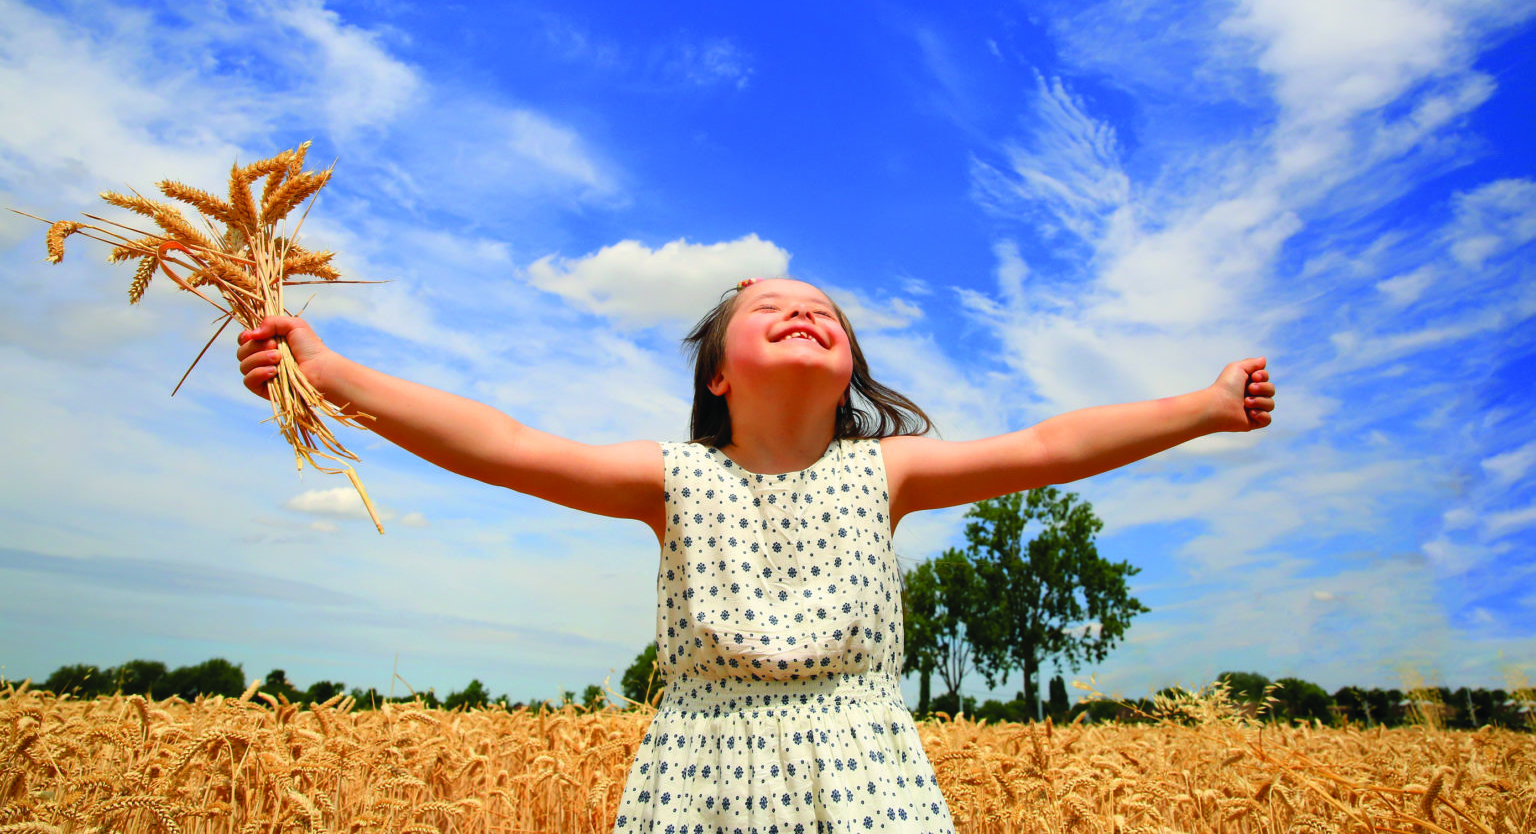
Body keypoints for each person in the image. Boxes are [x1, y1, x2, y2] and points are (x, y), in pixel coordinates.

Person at [237, 276, 1276, 833]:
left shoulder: (889, 474)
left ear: (851, 373)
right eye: (770, 308)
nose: (802, 313)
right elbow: (508, 446)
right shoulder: (672, 477)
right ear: (719, 378)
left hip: (871, 775)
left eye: (823, 312)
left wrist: (1205, 406)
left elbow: (1049, 445)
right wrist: (331, 373)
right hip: (702, 780)